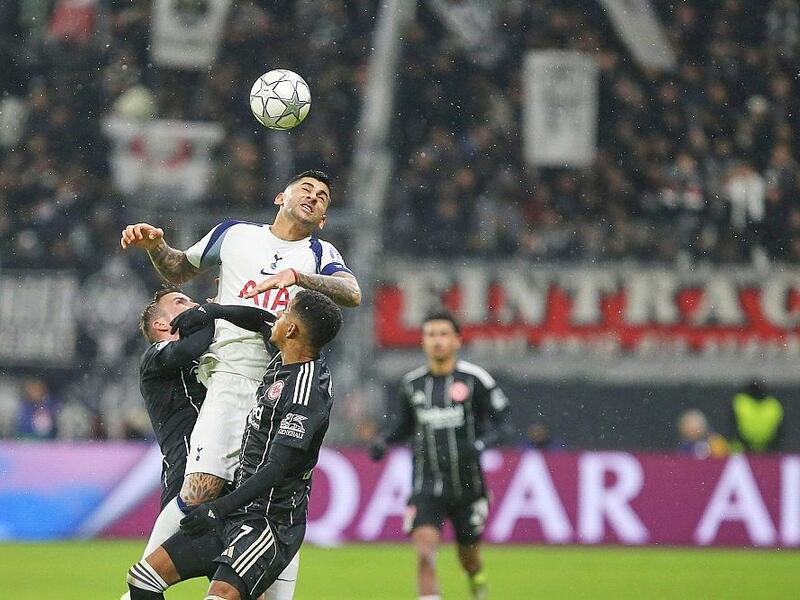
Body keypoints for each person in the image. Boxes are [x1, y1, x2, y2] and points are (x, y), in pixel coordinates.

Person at [120, 170, 360, 597]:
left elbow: (351, 292)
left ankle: (267, 587)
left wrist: (299, 278)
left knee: (276, 498)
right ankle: (142, 585)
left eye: (323, 196)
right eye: (305, 188)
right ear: (279, 196)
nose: (313, 196)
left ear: (323, 218)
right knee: (200, 491)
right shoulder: (233, 235)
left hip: (283, 384)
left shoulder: (319, 252)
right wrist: (157, 246)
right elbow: (178, 269)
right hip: (231, 378)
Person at [126, 290, 343, 600]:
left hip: (267, 520)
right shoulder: (285, 358)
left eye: (285, 313)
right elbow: (259, 319)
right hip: (234, 510)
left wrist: (216, 510)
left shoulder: (305, 392)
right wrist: (215, 311)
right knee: (142, 579)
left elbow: (277, 468)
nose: (276, 316)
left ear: (293, 330)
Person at [369, 311, 513, 600]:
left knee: (468, 559)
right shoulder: (412, 384)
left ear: (457, 340)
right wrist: (384, 440)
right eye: (431, 335)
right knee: (424, 553)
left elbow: (503, 425)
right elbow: (405, 427)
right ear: (423, 341)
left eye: (444, 334)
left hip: (468, 487)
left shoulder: (476, 380)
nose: (437, 341)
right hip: (426, 484)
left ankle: (477, 582)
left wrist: (482, 444)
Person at [137, 287, 211, 552]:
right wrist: (213, 313)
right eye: (180, 302)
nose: (193, 304)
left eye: (192, 299)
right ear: (160, 324)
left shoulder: (204, 354)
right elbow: (184, 351)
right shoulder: (156, 355)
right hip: (185, 473)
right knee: (151, 573)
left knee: (237, 580)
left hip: (214, 468)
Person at [731, 380, 784, 453]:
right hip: (768, 450)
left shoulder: (739, 402)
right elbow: (780, 432)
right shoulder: (774, 405)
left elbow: (731, 427)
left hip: (742, 450)